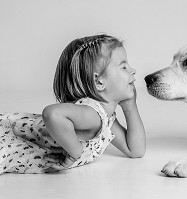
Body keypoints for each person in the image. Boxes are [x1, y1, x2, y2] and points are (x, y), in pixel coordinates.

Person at [0, 34, 146, 174]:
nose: (133, 71)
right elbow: (52, 114)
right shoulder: (92, 114)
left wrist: (130, 107)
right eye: (124, 67)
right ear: (99, 82)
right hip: (7, 139)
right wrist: (75, 152)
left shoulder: (105, 118)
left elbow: (135, 150)